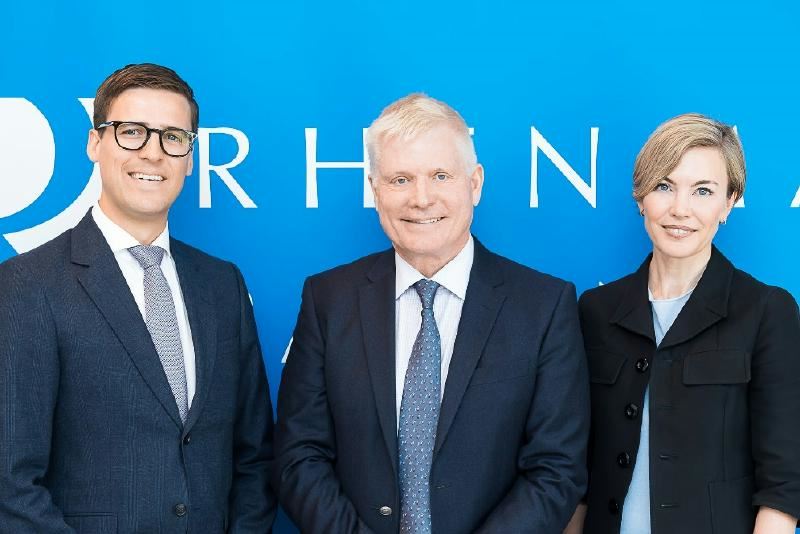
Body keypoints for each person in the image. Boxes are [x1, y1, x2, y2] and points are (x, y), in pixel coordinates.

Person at [274, 93, 589, 533]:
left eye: (440, 176)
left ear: (474, 183)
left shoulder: (544, 306)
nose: (421, 199)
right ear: (375, 191)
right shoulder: (328, 299)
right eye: (400, 179)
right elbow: (299, 456)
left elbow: (557, 469)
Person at [0, 63, 276, 533]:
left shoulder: (221, 285)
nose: (153, 152)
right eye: (132, 132)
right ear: (95, 143)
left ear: (190, 157)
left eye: (173, 137)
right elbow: (11, 482)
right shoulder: (26, 285)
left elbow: (253, 458)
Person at [567, 113, 800, 534]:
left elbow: (783, 486)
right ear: (641, 197)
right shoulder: (595, 311)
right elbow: (577, 473)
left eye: (703, 191)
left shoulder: (766, 311)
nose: (680, 209)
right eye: (664, 186)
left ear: (728, 203)